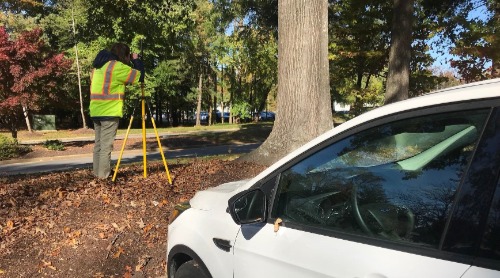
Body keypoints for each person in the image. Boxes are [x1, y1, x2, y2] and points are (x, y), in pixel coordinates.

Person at [89, 43, 144, 179]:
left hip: (96, 110)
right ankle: (103, 177)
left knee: (99, 145)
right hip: (109, 111)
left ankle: (97, 173)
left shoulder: (98, 67)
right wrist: (135, 59)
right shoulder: (116, 67)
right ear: (124, 55)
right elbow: (139, 76)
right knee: (106, 147)